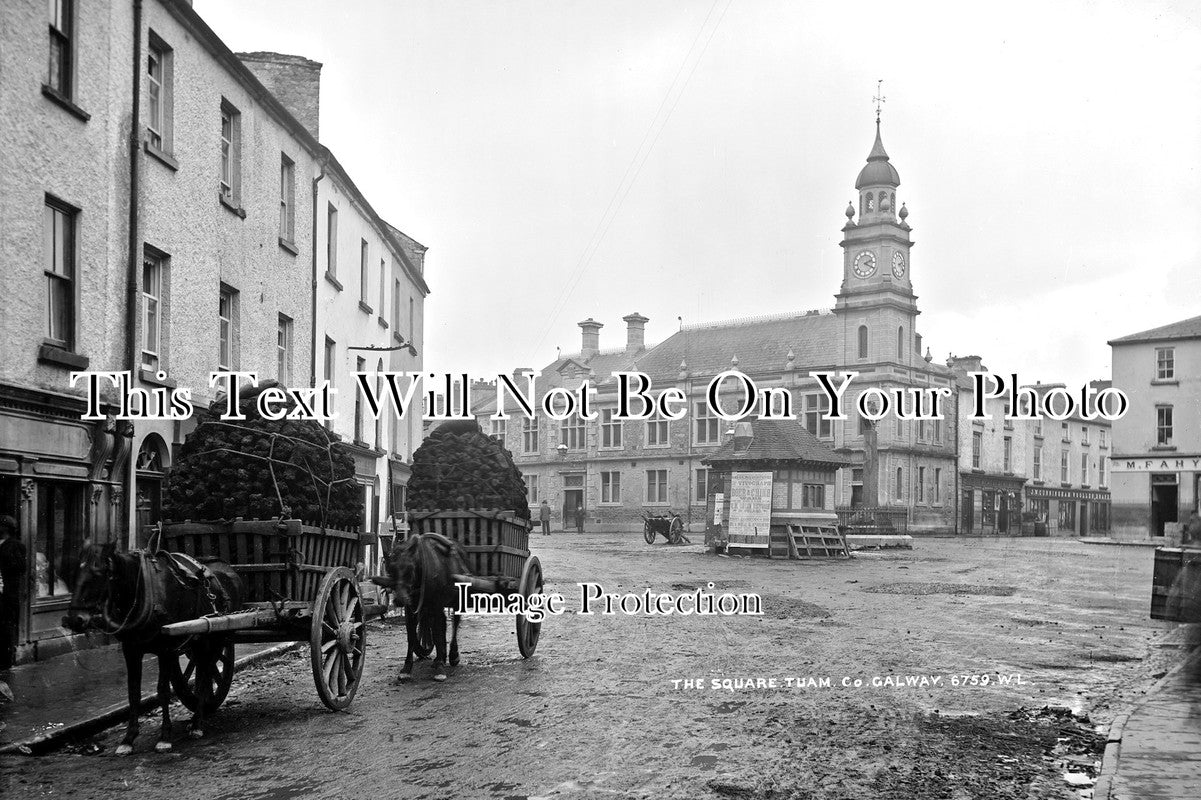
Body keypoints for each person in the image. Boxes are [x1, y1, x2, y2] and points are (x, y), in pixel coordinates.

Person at [0, 515, 27, 670]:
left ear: (6, 528)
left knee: (5, 627)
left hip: (7, 594)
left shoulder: (15, 545)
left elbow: (21, 568)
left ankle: (5, 661)